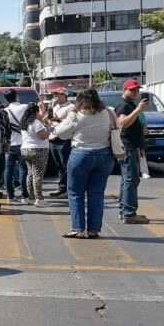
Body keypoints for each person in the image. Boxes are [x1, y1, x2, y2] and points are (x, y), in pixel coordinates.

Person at [50, 89, 113, 240]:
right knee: (96, 193)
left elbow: (60, 132)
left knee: (75, 192)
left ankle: (78, 228)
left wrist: (70, 118)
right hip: (104, 155)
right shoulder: (108, 112)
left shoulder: (76, 115)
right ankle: (93, 230)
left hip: (81, 154)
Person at [113, 79, 150, 224]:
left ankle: (125, 210)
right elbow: (123, 123)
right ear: (124, 90)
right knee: (131, 179)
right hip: (128, 147)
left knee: (127, 179)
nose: (136, 92)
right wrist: (138, 110)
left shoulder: (129, 105)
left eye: (137, 90)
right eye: (132, 90)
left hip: (131, 146)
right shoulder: (123, 106)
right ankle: (129, 213)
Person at [19, 103, 51, 208]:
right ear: (36, 112)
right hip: (38, 150)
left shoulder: (25, 122)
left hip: (25, 150)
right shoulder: (36, 122)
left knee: (30, 173)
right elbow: (42, 136)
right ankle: (39, 199)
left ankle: (31, 197)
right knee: (38, 175)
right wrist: (50, 130)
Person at [2, 90, 29, 203]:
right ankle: (24, 195)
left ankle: (10, 195)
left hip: (9, 144)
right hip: (23, 143)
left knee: (8, 170)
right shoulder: (25, 107)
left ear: (6, 99)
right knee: (23, 169)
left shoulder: (4, 111)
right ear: (17, 96)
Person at [47, 88, 74, 198]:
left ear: (64, 95)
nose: (55, 97)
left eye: (57, 94)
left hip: (64, 139)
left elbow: (70, 123)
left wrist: (57, 120)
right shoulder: (54, 107)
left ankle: (68, 188)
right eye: (54, 94)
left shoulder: (70, 107)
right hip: (53, 137)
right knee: (59, 165)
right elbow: (49, 121)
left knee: (66, 164)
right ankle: (62, 188)